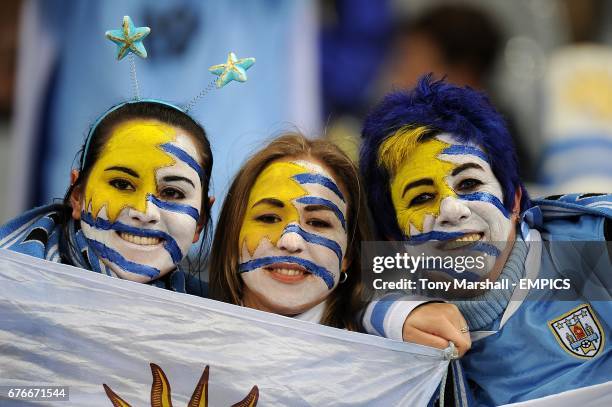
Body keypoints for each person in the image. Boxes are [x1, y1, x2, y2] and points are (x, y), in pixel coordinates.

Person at [360, 75, 611, 404]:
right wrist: (388, 317)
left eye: (468, 184)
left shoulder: (593, 245)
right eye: (421, 198)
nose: (451, 209)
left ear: (515, 201)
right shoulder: (393, 323)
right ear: (395, 239)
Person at [0, 100, 213, 293]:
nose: (144, 212)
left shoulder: (214, 318)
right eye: (121, 184)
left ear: (200, 220)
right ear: (77, 195)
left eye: (172, 193)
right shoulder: (7, 285)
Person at [209, 133, 368, 329]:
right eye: (268, 218)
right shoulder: (180, 341)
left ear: (348, 254)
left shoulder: (385, 353)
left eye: (318, 223)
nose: (291, 241)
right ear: (233, 234)